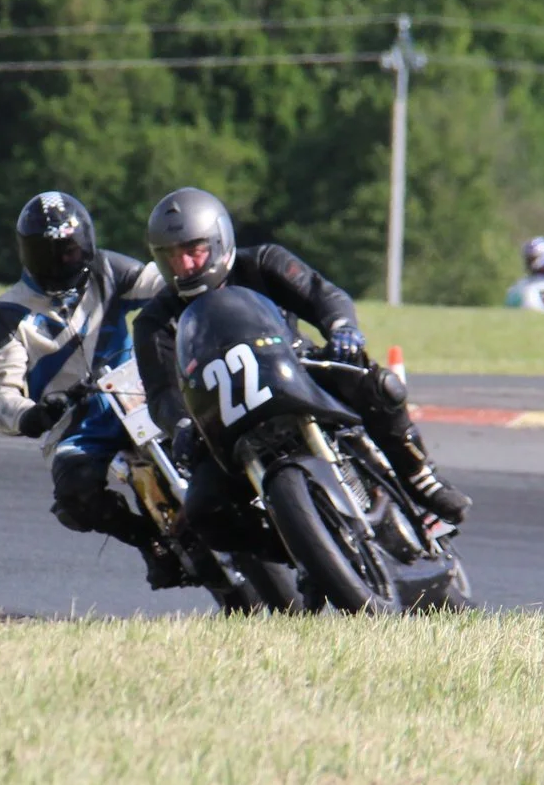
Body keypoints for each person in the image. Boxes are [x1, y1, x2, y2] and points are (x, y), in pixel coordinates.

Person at [132, 188, 470, 549]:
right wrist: (180, 424)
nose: (184, 265)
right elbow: (161, 392)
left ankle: (421, 478)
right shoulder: (153, 322)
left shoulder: (263, 262)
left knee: (379, 385)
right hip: (222, 418)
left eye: (194, 251)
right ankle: (297, 552)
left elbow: (323, 295)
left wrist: (342, 329)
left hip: (298, 372)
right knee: (203, 514)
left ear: (219, 241)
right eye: (170, 256)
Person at [0, 191, 171, 578]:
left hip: (136, 393)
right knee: (75, 496)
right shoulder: (6, 314)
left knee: (197, 432)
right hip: (73, 422)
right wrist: (31, 415)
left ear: (86, 243)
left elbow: (163, 284)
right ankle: (148, 539)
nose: (61, 262)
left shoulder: (108, 270)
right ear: (26, 253)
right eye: (47, 253)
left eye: (70, 250)